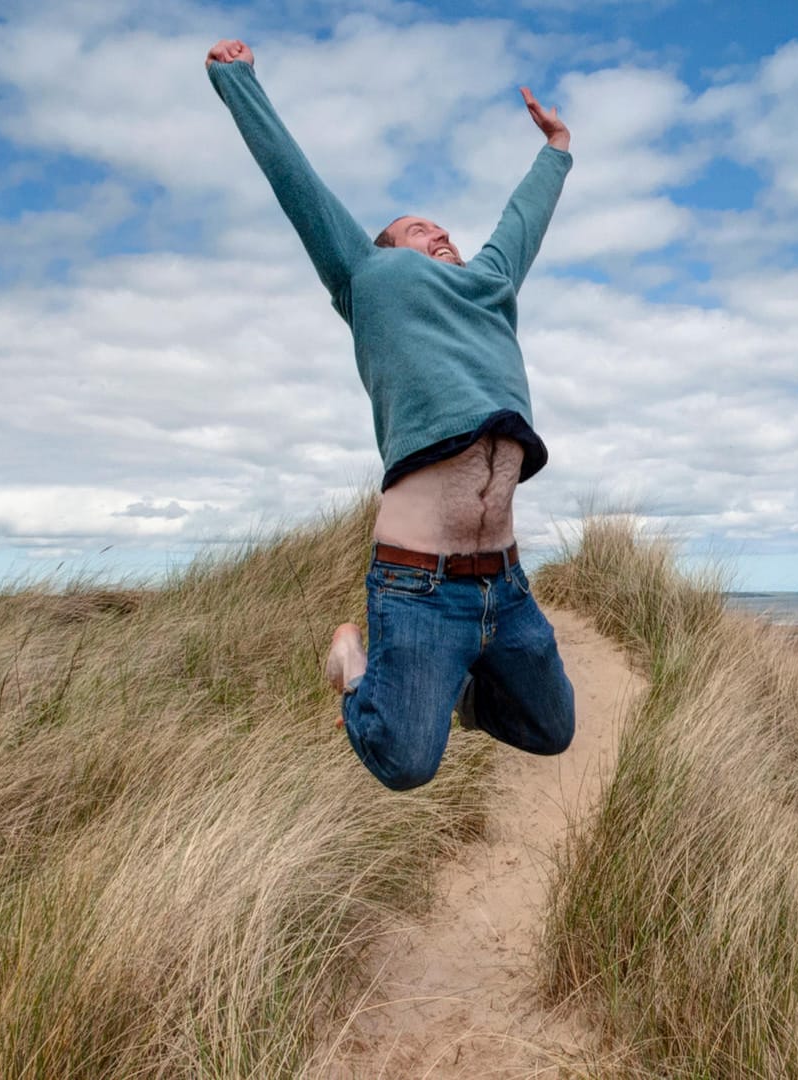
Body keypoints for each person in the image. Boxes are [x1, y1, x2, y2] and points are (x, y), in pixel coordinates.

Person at [205, 38, 576, 790]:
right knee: (406, 763)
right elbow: (294, 181)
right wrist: (235, 81)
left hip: (504, 584)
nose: (437, 233)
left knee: (552, 728)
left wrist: (558, 148)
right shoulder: (368, 277)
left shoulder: (491, 282)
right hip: (417, 585)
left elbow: (523, 218)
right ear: (383, 251)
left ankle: (461, 693)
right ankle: (353, 666)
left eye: (441, 228)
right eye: (415, 230)